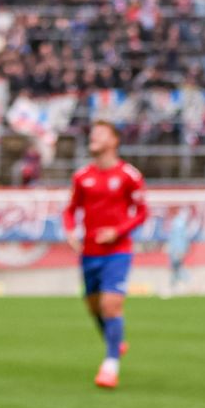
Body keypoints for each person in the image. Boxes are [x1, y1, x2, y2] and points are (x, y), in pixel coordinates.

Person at [63, 121, 148, 390]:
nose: (93, 137)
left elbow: (142, 212)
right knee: (94, 306)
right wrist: (70, 231)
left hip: (117, 251)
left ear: (114, 141)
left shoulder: (129, 175)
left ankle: (111, 364)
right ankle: (115, 340)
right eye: (92, 133)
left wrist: (118, 231)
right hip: (89, 252)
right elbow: (70, 210)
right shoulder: (82, 176)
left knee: (111, 304)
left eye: (100, 133)